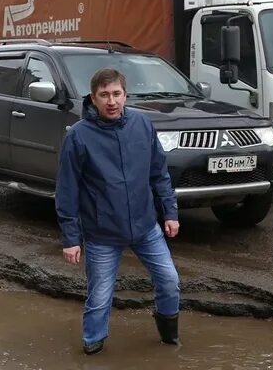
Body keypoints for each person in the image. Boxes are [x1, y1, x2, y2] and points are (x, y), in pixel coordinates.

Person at [55, 67, 181, 355]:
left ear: (125, 96)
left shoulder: (142, 125)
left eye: (116, 94)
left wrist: (170, 213)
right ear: (93, 98)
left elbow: (158, 172)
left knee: (170, 281)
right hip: (102, 233)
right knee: (99, 296)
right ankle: (92, 345)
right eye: (104, 95)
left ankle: (169, 336)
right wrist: (71, 238)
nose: (111, 101)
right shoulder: (78, 137)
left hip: (145, 226)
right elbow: (67, 191)